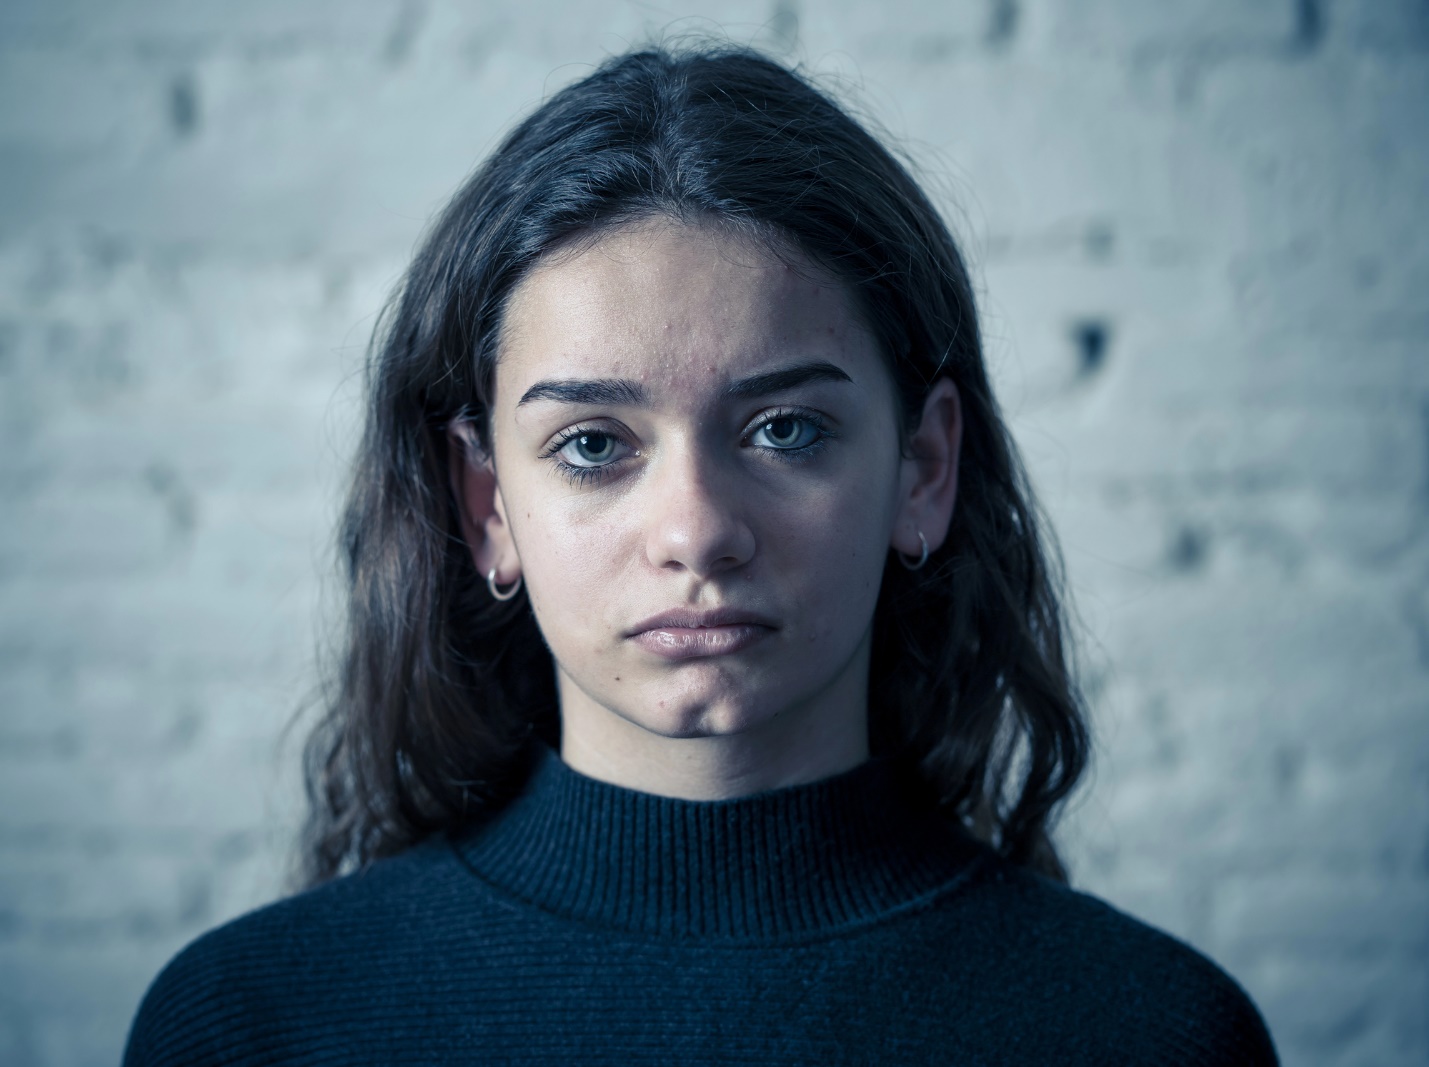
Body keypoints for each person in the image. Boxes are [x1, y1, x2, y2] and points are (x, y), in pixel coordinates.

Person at [123, 43, 1278, 1066]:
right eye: (590, 444)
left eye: (785, 430)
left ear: (922, 469)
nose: (694, 531)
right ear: (486, 502)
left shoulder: (1151, 1033)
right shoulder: (253, 1024)